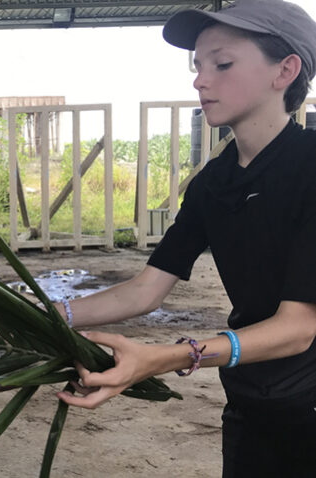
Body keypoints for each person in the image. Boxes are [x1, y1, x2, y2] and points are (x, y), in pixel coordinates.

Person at [52, 1, 316, 476]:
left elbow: (297, 329)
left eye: (223, 63)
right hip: (253, 404)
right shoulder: (214, 183)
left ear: (285, 71)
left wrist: (169, 357)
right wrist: (51, 315)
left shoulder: (312, 169)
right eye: (197, 66)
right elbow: (146, 289)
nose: (200, 80)